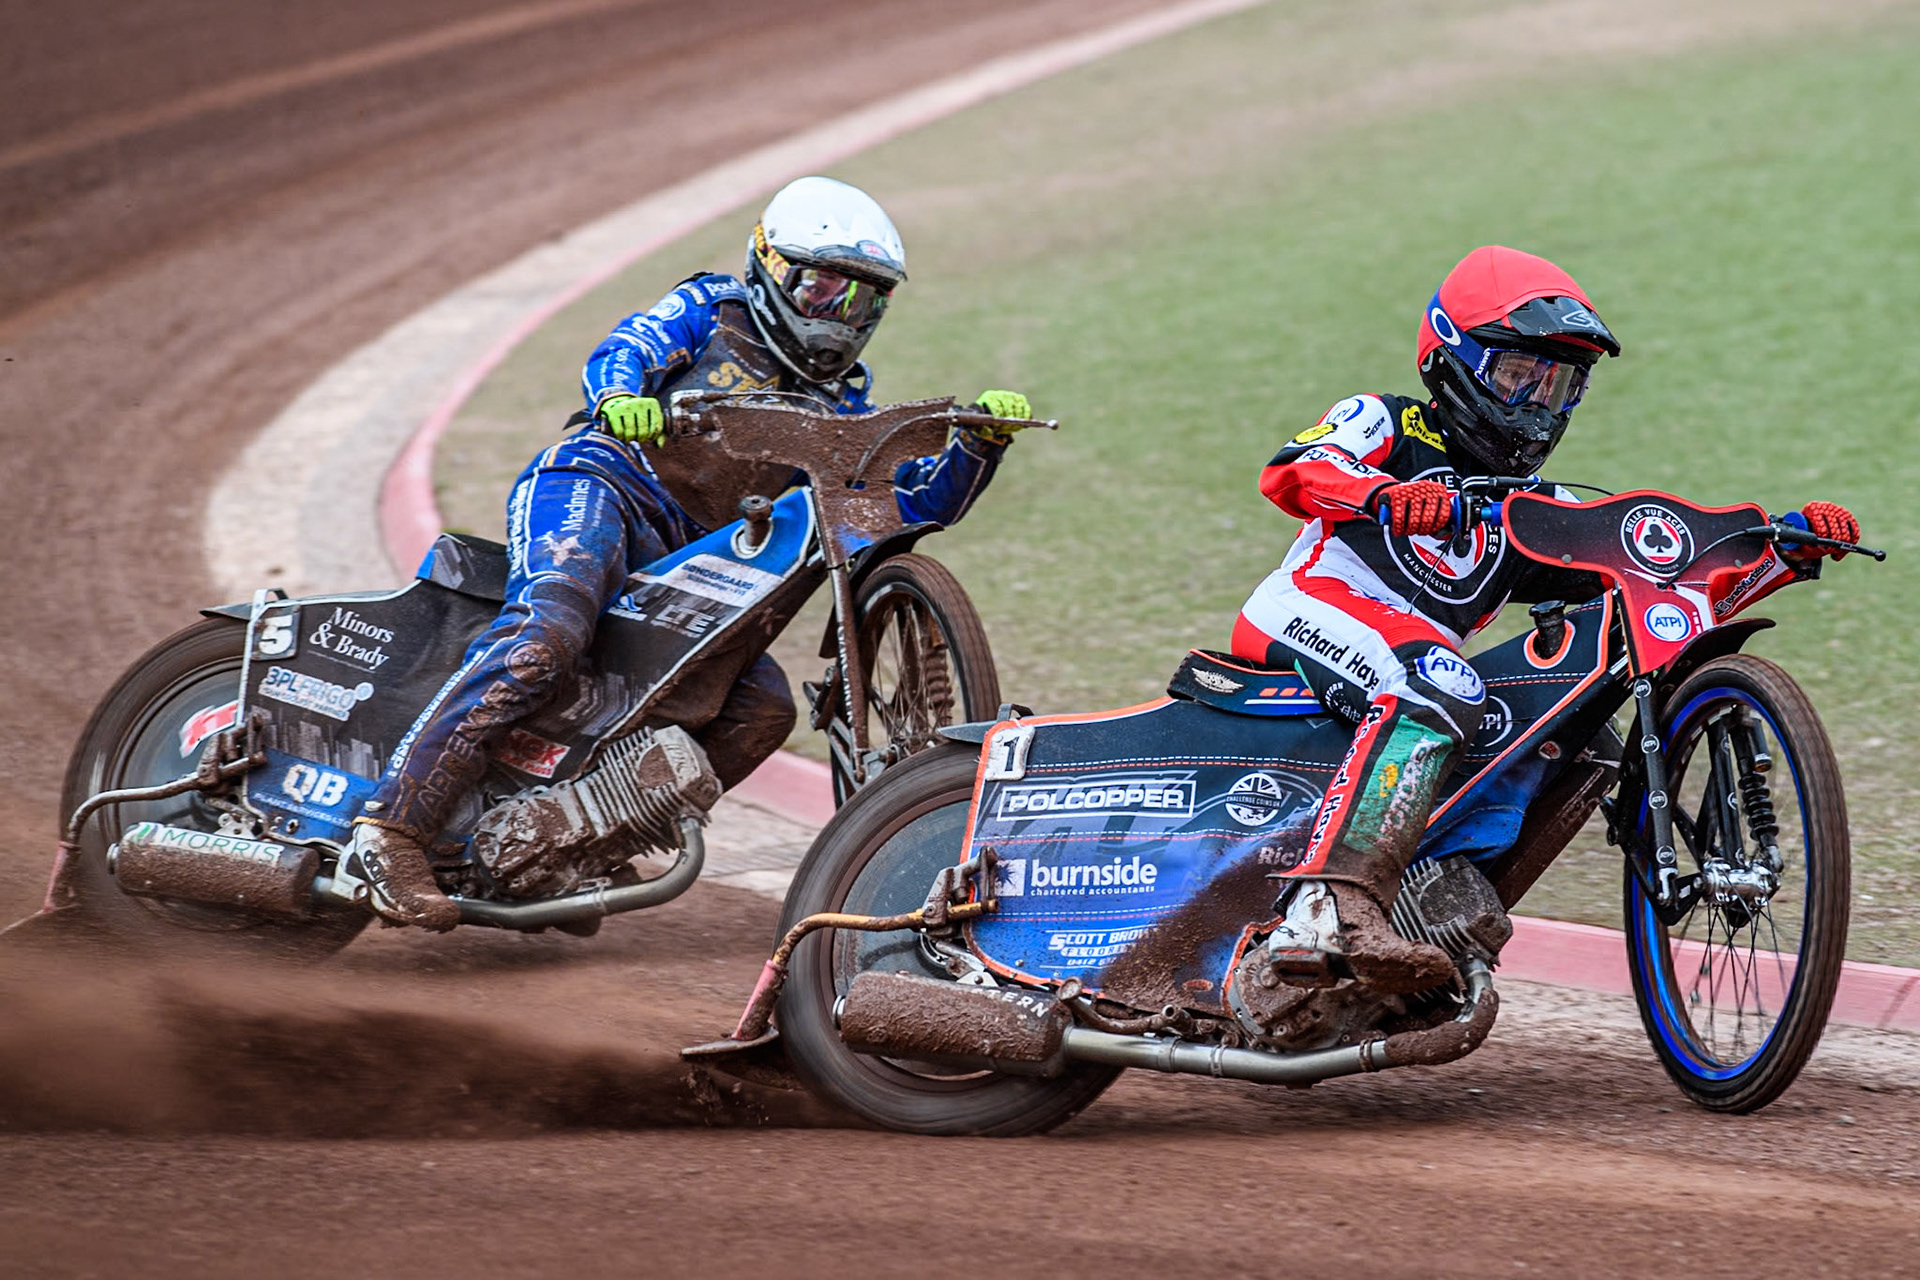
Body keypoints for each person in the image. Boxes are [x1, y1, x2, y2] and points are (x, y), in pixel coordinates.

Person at [345, 175, 1036, 929]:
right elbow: (625, 349)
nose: (839, 317)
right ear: (771, 267)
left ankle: (574, 845)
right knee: (547, 634)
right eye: (822, 288)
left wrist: (978, 445)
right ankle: (390, 829)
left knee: (762, 708)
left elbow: (911, 506)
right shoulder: (711, 307)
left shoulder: (845, 401)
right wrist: (621, 400)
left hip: (692, 562)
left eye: (863, 300)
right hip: (599, 486)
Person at [1231, 244, 1861, 993]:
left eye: (1560, 385)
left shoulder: (1539, 508)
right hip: (1304, 612)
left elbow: (1662, 586)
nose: (1537, 404)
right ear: (1452, 359)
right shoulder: (1385, 420)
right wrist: (1384, 495)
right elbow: (1292, 469)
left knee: (1580, 728)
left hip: (1418, 663)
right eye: (1518, 376)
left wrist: (1778, 553)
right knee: (1439, 681)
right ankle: (1324, 909)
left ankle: (1435, 897)